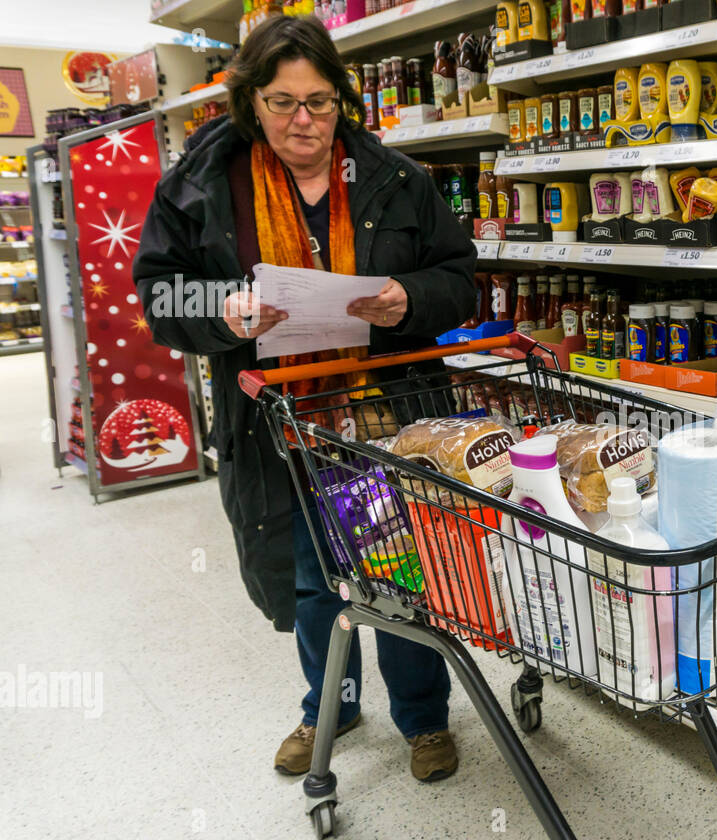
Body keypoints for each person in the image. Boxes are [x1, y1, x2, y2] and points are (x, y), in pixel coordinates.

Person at [134, 15, 476, 782]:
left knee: (400, 571)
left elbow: (459, 276)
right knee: (313, 576)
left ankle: (423, 720)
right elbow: (159, 294)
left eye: (320, 103)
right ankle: (330, 705)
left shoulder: (395, 179)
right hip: (277, 422)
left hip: (385, 416)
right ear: (250, 99)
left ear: (341, 100)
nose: (303, 121)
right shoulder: (199, 187)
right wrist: (220, 308)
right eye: (283, 102)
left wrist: (408, 296)